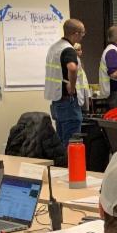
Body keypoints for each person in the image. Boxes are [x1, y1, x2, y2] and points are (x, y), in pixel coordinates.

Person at [44, 18, 85, 146]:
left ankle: (63, 166)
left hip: (57, 102)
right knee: (72, 143)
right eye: (83, 33)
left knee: (62, 142)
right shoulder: (68, 49)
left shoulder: (54, 47)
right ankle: (70, 166)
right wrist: (71, 87)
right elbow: (72, 67)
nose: (83, 36)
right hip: (68, 103)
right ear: (76, 34)